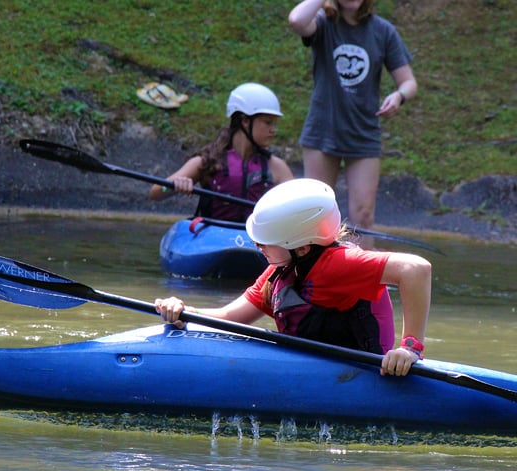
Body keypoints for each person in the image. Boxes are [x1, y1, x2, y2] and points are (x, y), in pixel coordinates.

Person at [156, 178, 431, 377]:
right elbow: (229, 318)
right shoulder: (281, 272)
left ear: (301, 247)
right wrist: (186, 312)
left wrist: (409, 349)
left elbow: (416, 269)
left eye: (265, 241)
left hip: (364, 377)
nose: (257, 246)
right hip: (316, 373)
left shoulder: (338, 264)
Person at [288, 0, 418, 248]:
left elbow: (409, 82)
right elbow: (296, 20)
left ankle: (363, 279)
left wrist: (399, 95)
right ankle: (311, 279)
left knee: (363, 216)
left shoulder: (382, 31)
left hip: (363, 134)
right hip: (322, 132)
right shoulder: (324, 24)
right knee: (316, 214)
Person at [148, 82, 294, 222]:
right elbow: (156, 193)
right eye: (268, 122)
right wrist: (173, 186)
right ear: (245, 121)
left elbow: (299, 206)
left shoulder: (276, 167)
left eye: (274, 123)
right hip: (213, 238)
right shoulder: (207, 161)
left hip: (255, 239)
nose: (273, 130)